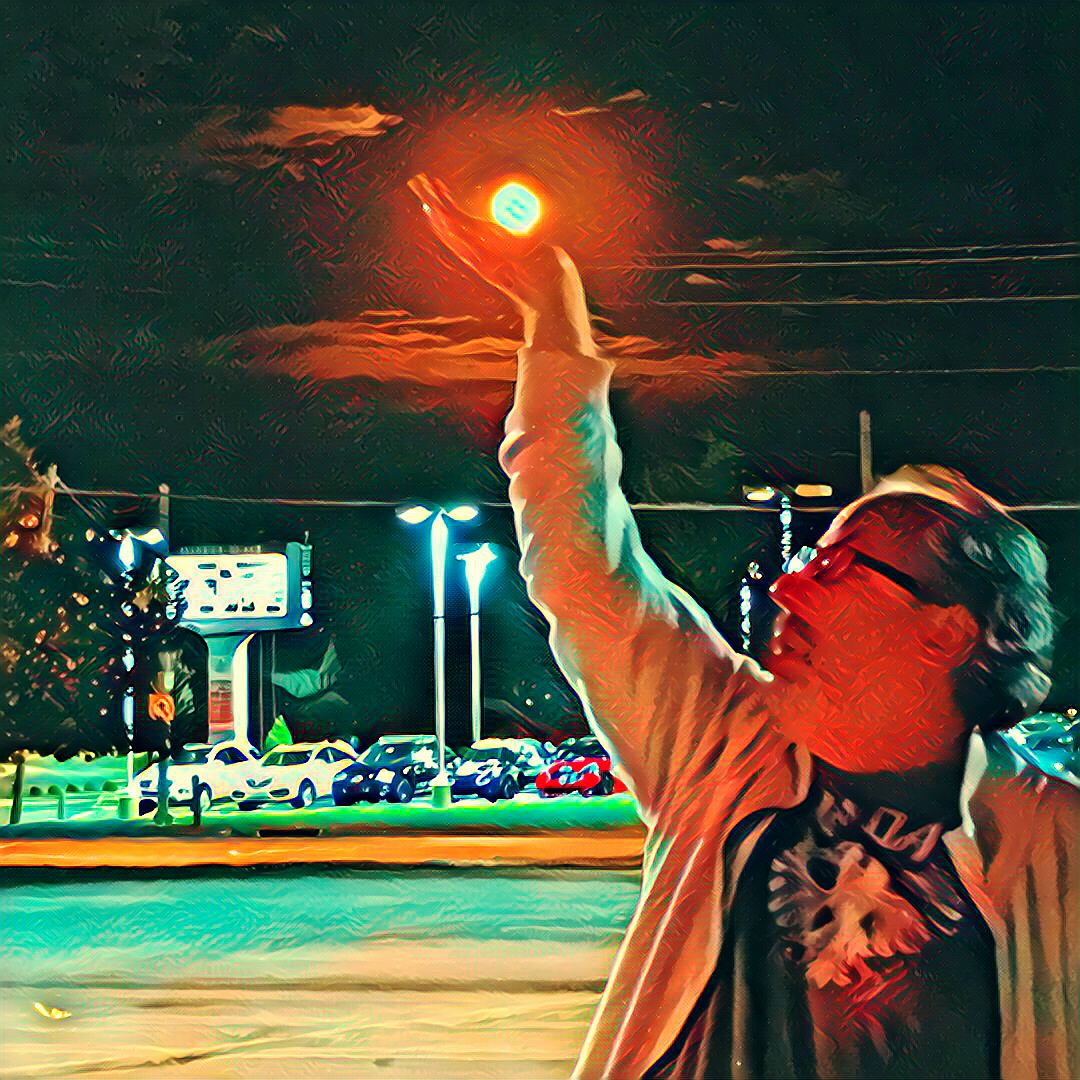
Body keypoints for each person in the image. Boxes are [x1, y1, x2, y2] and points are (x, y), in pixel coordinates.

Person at [408, 174, 1078, 1080]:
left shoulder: (1055, 845)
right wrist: (554, 321)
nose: (792, 586)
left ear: (947, 632)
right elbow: (583, 565)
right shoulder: (718, 747)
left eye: (843, 568)